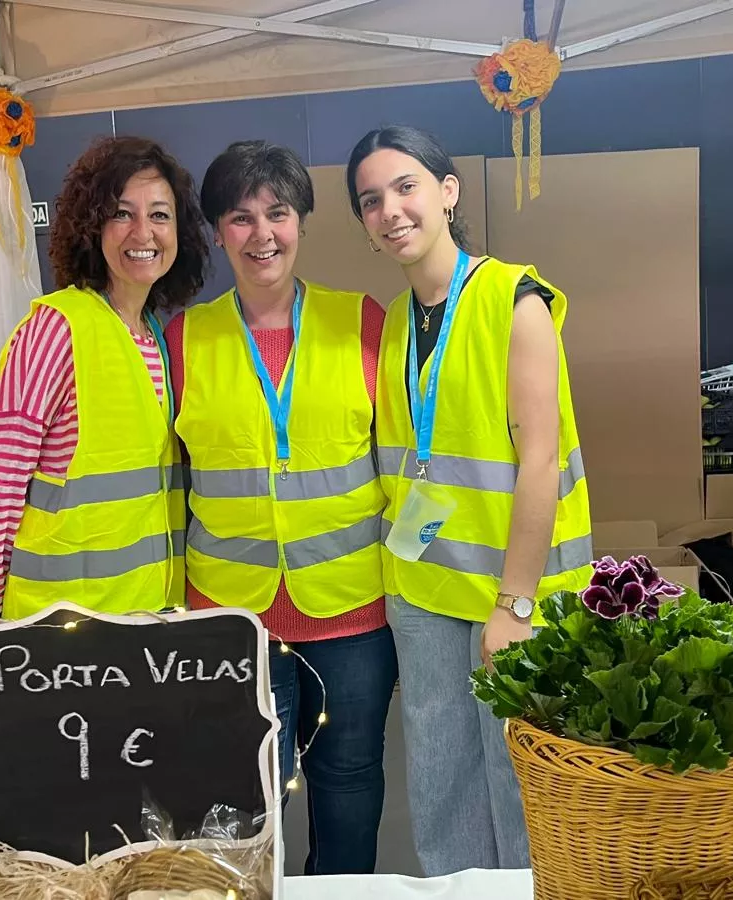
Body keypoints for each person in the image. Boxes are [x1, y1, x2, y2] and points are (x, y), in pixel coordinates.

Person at [346, 125, 594, 875]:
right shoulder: (395, 324)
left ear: (448, 192)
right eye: (371, 200)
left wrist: (514, 605)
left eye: (406, 186)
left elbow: (541, 461)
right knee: (441, 787)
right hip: (425, 592)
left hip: (513, 595)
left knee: (523, 790)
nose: (390, 210)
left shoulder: (513, 299)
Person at [166, 140, 397, 875]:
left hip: (354, 611)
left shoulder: (361, 321)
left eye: (278, 213)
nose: (262, 234)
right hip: (232, 617)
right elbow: (170, 480)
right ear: (215, 232)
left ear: (301, 220)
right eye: (240, 217)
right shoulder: (183, 338)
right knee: (246, 800)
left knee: (350, 781)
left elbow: (400, 462)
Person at [0, 135, 207, 619]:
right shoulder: (56, 329)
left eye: (160, 214)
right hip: (59, 630)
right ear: (91, 226)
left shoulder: (154, 336)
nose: (144, 233)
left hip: (144, 618)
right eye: (122, 213)